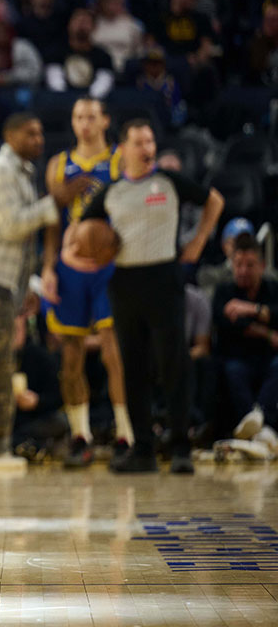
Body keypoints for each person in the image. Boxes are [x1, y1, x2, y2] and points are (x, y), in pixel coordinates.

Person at [81, 119, 223, 473]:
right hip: (125, 283)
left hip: (164, 277)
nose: (147, 149)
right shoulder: (111, 192)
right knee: (134, 369)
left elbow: (214, 201)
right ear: (122, 150)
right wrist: (73, 261)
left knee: (174, 364)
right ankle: (142, 449)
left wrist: (198, 240)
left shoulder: (169, 182)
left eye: (150, 142)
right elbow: (81, 231)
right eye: (139, 143)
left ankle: (180, 448)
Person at [0, 113, 87, 470]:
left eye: (41, 132)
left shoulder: (21, 175)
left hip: (2, 281)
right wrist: (54, 203)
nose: (39, 139)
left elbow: (21, 242)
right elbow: (13, 226)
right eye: (31, 133)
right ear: (10, 135)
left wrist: (26, 284)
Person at [40, 98, 133, 467]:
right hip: (70, 268)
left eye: (92, 117)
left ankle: (127, 434)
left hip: (110, 266)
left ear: (105, 120)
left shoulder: (119, 160)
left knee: (114, 353)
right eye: (79, 117)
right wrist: (48, 267)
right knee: (71, 355)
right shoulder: (58, 165)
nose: (85, 124)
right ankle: (81, 436)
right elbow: (51, 222)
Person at [211, 235, 278, 446]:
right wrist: (266, 331)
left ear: (262, 265)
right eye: (238, 264)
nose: (242, 271)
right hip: (236, 359)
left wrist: (250, 309)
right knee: (233, 371)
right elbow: (227, 324)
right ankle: (262, 430)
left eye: (249, 265)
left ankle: (256, 421)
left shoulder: (273, 288)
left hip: (269, 360)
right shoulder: (223, 291)